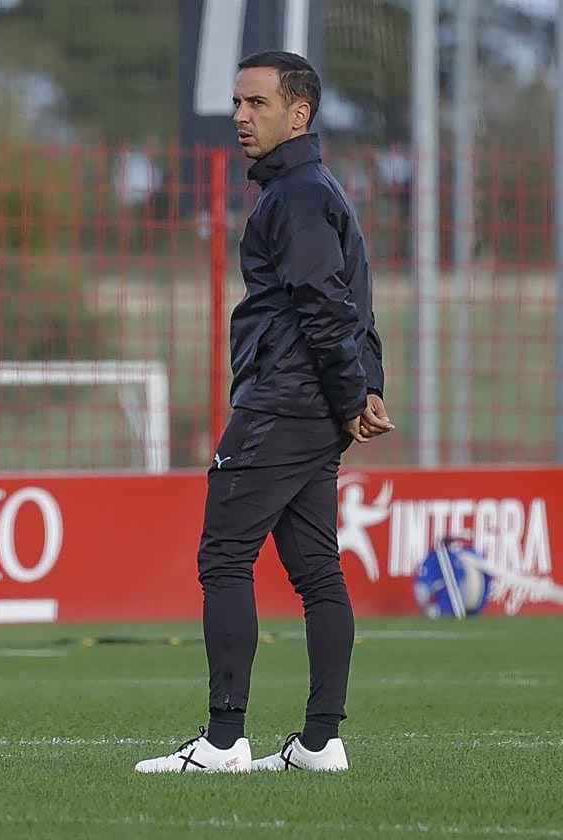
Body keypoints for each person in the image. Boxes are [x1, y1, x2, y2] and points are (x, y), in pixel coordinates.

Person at [135, 51, 394, 774]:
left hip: (284, 401)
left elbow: (324, 303)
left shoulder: (298, 194)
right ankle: (320, 742)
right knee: (317, 570)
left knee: (224, 557)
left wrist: (354, 392)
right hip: (315, 405)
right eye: (238, 103)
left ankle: (223, 742)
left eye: (256, 103)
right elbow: (353, 301)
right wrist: (362, 388)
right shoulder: (314, 188)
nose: (240, 117)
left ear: (298, 113)